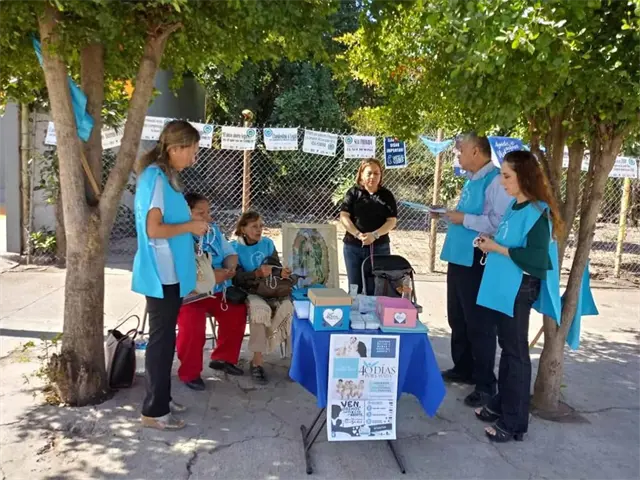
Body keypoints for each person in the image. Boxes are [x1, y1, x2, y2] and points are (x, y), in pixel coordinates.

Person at [474, 150, 563, 442]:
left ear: (523, 177)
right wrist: (491, 242)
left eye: (506, 176)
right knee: (508, 349)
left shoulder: (538, 212)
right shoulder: (515, 205)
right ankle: (502, 403)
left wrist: (497, 248)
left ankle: (514, 422)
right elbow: (510, 242)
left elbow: (536, 259)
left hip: (518, 289)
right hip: (503, 287)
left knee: (516, 354)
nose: (502, 182)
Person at [132, 120, 208, 430]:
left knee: (165, 340)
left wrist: (189, 223)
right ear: (175, 148)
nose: (194, 157)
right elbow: (153, 229)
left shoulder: (164, 176)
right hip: (162, 274)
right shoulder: (155, 178)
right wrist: (190, 226)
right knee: (161, 342)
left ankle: (162, 398)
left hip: (170, 273)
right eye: (192, 150)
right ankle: (155, 411)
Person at [437, 133, 512, 408]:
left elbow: (498, 222)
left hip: (476, 259)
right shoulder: (472, 179)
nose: (457, 154)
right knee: (457, 317)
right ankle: (463, 367)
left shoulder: (495, 181)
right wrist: (449, 215)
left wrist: (464, 218)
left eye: (461, 150)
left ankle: (485, 384)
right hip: (459, 257)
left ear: (477, 152)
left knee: (479, 324)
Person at [176, 193, 247, 391]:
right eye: (201, 213)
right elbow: (180, 269)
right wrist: (211, 276)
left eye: (208, 212)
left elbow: (230, 253)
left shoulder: (213, 230)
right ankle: (190, 373)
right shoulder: (178, 235)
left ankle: (222, 359)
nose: (208, 217)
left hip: (217, 291)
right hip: (190, 295)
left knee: (236, 310)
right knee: (193, 327)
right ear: (186, 213)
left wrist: (229, 269)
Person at [231, 211, 294, 385]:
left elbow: (275, 267)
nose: (259, 230)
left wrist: (281, 272)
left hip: (272, 289)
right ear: (243, 229)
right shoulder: (234, 248)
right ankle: (257, 362)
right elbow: (236, 278)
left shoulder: (267, 243)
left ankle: (294, 362)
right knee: (259, 311)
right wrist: (256, 274)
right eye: (254, 226)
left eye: (260, 226)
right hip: (251, 291)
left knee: (289, 309)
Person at [339, 158, 397, 294]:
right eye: (369, 173)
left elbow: (391, 221)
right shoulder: (353, 193)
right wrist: (358, 234)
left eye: (376, 173)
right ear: (361, 175)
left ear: (381, 175)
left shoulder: (386, 195)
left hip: (379, 247)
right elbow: (344, 216)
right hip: (353, 247)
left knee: (376, 289)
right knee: (355, 289)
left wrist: (374, 235)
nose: (372, 177)